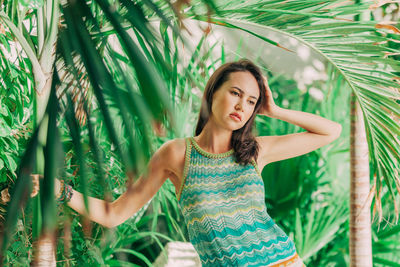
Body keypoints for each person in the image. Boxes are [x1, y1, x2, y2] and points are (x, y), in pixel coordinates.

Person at [2, 59, 342, 266]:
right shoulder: (177, 154)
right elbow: (114, 214)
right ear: (214, 92)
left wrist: (276, 110)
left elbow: (330, 132)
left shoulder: (256, 151)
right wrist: (63, 191)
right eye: (236, 93)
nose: (242, 105)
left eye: (251, 101)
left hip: (281, 261)